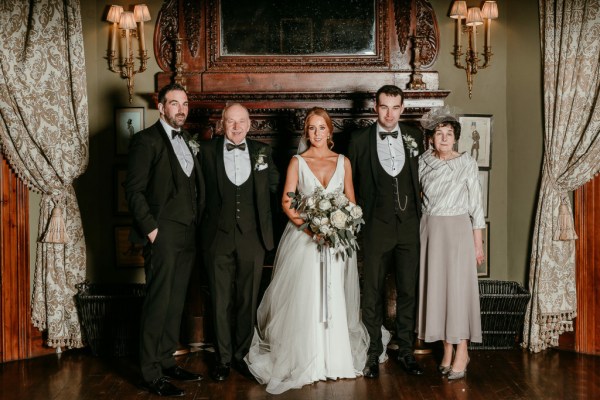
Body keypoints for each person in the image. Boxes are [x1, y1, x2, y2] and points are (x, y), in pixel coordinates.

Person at [245, 107, 374, 394]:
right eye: (311, 128)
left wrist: (340, 227)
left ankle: (335, 360)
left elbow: (352, 203)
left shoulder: (343, 162)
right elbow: (287, 203)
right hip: (305, 239)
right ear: (307, 133)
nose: (316, 133)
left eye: (321, 128)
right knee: (308, 295)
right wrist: (312, 229)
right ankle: (307, 359)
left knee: (334, 294)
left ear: (330, 131)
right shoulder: (297, 162)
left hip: (337, 242)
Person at [125, 83, 205, 397]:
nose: (181, 109)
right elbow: (133, 190)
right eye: (174, 103)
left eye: (185, 103)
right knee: (158, 302)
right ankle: (149, 373)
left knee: (176, 301)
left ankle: (166, 360)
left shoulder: (187, 140)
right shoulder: (145, 141)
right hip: (163, 233)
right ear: (161, 107)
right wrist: (153, 230)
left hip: (188, 233)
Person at [348, 85, 424, 378]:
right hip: (375, 227)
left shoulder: (415, 136)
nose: (389, 113)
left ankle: (406, 350)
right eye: (384, 107)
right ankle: (372, 353)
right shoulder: (358, 140)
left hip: (409, 226)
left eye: (395, 107)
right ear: (375, 108)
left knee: (407, 290)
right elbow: (350, 183)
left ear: (402, 108)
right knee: (372, 292)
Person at [199, 103, 279, 382]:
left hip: (252, 237)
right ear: (222, 124)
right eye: (230, 121)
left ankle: (241, 356)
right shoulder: (206, 151)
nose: (236, 126)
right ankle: (222, 358)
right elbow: (197, 191)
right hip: (216, 238)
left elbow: (277, 190)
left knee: (248, 300)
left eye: (241, 121)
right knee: (220, 301)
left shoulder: (263, 151)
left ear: (249, 123)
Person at [417, 106, 485, 380]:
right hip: (431, 229)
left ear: (456, 137)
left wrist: (478, 244)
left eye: (449, 133)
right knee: (438, 291)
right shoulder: (422, 161)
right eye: (438, 133)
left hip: (458, 229)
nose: (444, 138)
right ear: (431, 138)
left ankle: (463, 350)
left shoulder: (466, 163)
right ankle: (446, 349)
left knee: (458, 291)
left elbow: (477, 206)